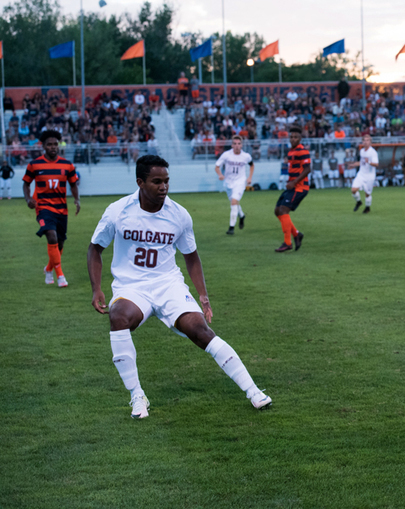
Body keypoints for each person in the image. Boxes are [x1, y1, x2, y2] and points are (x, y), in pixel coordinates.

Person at [87, 155, 272, 419]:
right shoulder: (118, 211)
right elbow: (95, 249)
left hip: (168, 284)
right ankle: (137, 395)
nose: (163, 187)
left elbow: (191, 256)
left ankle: (253, 391)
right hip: (132, 286)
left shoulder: (178, 214)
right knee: (119, 318)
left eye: (166, 181)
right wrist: (97, 289)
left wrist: (203, 296)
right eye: (157, 182)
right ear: (140, 182)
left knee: (200, 330)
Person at [22, 131, 80, 288]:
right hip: (43, 208)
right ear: (43, 146)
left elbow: (73, 183)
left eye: (55, 144)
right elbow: (26, 183)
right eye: (49, 144)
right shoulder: (34, 165)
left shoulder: (67, 165)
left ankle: (48, 269)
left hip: (61, 209)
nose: (53, 147)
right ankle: (60, 275)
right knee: (52, 237)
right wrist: (28, 199)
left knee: (60, 244)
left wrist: (77, 199)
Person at [274, 126, 310, 252]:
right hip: (292, 186)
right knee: (277, 210)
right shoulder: (290, 152)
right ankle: (297, 234)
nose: (293, 139)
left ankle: (287, 242)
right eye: (291, 137)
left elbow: (307, 169)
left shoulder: (303, 151)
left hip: (300, 187)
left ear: (300, 138)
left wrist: (294, 182)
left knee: (284, 210)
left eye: (296, 137)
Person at [215, 136, 254, 235]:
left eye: (239, 144)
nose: (237, 146)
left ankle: (231, 227)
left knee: (234, 201)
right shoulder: (226, 155)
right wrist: (220, 174)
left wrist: (249, 177)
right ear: (232, 145)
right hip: (228, 182)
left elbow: (252, 165)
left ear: (241, 145)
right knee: (234, 202)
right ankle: (241, 216)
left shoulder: (246, 156)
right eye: (235, 144)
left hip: (240, 182)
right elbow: (217, 166)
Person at [347, 134, 379, 214]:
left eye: (367, 140)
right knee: (353, 190)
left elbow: (376, 164)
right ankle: (358, 202)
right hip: (361, 174)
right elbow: (362, 163)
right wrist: (353, 165)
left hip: (370, 175)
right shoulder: (361, 151)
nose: (366, 142)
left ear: (370, 142)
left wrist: (369, 161)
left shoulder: (373, 152)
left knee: (367, 194)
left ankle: (367, 207)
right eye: (364, 140)